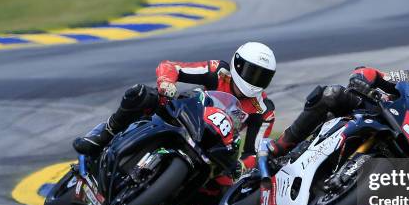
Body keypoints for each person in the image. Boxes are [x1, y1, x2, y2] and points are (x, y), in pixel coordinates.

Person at [74, 42, 277, 177]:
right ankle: (105, 133)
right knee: (142, 94)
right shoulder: (218, 71)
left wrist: (243, 166)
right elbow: (172, 67)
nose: (254, 80)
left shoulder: (264, 110)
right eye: (251, 72)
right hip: (187, 116)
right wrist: (166, 83)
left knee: (229, 190)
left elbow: (256, 151)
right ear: (238, 65)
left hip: (218, 146)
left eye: (262, 76)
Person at [268, 55, 409, 174]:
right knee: (332, 94)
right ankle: (284, 146)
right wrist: (361, 80)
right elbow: (373, 74)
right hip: (378, 116)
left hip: (404, 161)